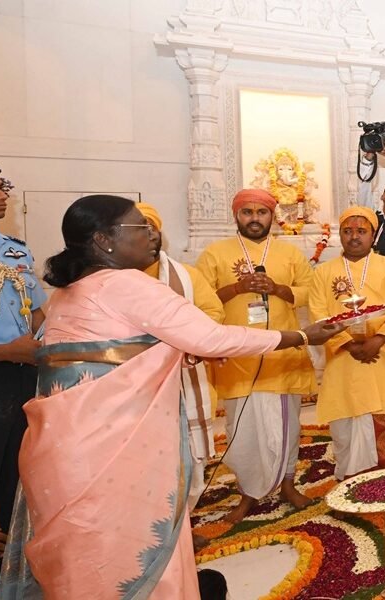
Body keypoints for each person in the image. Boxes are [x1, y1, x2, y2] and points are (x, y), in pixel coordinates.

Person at [0, 195, 343, 599]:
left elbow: (124, 351)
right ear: (104, 240)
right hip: (114, 452)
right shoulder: (128, 284)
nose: (152, 233)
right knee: (130, 548)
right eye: (139, 227)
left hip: (65, 450)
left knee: (84, 552)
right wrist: (301, 336)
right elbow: (211, 336)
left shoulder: (67, 293)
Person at [195, 189, 317, 523]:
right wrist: (237, 288)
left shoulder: (289, 254)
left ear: (271, 217)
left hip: (281, 357)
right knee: (242, 429)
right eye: (247, 212)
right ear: (236, 215)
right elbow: (199, 299)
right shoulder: (215, 254)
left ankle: (288, 483)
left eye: (261, 212)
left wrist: (277, 289)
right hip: (239, 358)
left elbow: (310, 293)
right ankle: (248, 492)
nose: (254, 218)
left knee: (287, 425)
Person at [308, 206, 385, 478]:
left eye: (361, 231)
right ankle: (349, 485)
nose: (354, 237)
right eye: (348, 231)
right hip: (343, 364)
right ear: (339, 235)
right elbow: (319, 313)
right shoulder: (323, 272)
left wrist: (378, 340)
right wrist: (347, 344)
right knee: (344, 430)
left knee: (382, 423)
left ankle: (384, 486)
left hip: (382, 359)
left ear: (373, 235)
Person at [138, 202, 225, 516]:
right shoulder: (115, 278)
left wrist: (185, 338)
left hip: (185, 377)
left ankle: (183, 525)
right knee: (148, 459)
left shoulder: (186, 276)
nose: (147, 234)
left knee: (189, 457)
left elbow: (213, 312)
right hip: (138, 385)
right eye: (140, 227)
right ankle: (161, 527)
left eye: (152, 226)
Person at [0, 162, 45, 572]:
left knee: (18, 475)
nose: (1, 194)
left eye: (1, 186)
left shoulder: (14, 248)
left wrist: (40, 345)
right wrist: (6, 352)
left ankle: (10, 568)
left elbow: (40, 313)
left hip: (23, 375)